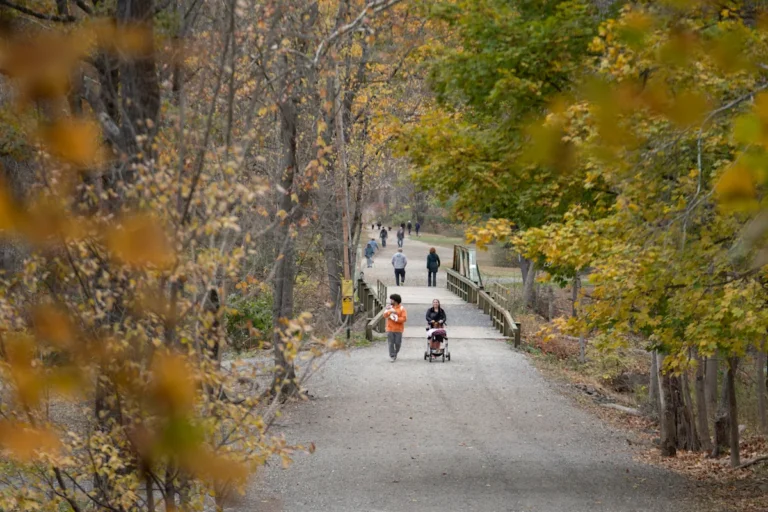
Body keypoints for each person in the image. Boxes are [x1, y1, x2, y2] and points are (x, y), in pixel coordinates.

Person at [385, 293, 407, 362]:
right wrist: (389, 311)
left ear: (396, 300)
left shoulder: (402, 308)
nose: (391, 301)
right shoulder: (389, 307)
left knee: (398, 343)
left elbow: (404, 318)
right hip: (390, 328)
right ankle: (392, 355)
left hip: (398, 329)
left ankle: (395, 353)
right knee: (390, 343)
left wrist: (396, 319)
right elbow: (384, 315)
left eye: (392, 299)